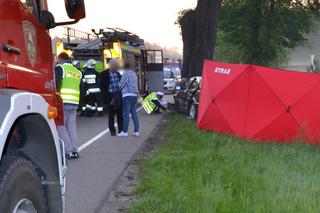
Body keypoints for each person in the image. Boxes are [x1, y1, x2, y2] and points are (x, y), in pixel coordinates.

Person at [55, 53, 82, 160]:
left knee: (60, 127)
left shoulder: (60, 68)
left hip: (63, 101)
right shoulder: (77, 72)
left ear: (60, 59)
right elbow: (82, 89)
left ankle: (69, 151)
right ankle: (75, 150)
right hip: (75, 102)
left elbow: (56, 84)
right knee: (71, 127)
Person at [118, 61, 140, 137]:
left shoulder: (125, 74)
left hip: (127, 95)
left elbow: (121, 85)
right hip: (135, 95)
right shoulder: (134, 74)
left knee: (126, 114)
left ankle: (125, 131)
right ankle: (136, 131)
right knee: (134, 114)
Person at [103, 59, 123, 136]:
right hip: (110, 96)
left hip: (118, 95)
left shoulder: (118, 74)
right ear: (111, 65)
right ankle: (112, 131)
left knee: (120, 114)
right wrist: (104, 99)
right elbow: (102, 87)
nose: (117, 67)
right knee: (111, 115)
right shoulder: (104, 74)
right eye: (116, 66)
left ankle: (121, 130)